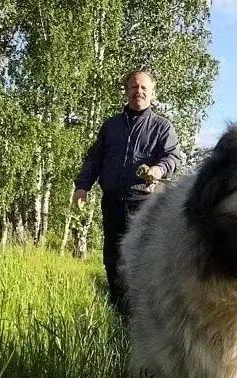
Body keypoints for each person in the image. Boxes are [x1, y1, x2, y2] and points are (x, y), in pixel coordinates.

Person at [73, 70, 181, 313]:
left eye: (144, 88)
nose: (138, 91)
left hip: (146, 205)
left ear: (152, 93)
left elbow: (172, 157)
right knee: (113, 259)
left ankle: (142, 316)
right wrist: (82, 187)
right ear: (126, 91)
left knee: (142, 260)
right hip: (113, 203)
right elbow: (95, 159)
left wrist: (158, 169)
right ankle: (117, 314)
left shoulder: (162, 127)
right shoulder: (111, 126)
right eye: (134, 87)